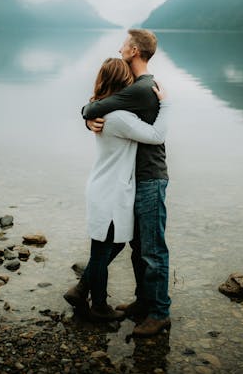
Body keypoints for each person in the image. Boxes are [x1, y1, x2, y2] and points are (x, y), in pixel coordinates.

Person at [64, 56, 169, 323]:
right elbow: (157, 136)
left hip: (104, 188)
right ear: (124, 82)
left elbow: (92, 109)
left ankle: (81, 290)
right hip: (110, 192)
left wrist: (87, 114)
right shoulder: (120, 117)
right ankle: (98, 306)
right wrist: (166, 104)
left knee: (113, 245)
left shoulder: (105, 113)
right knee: (101, 252)